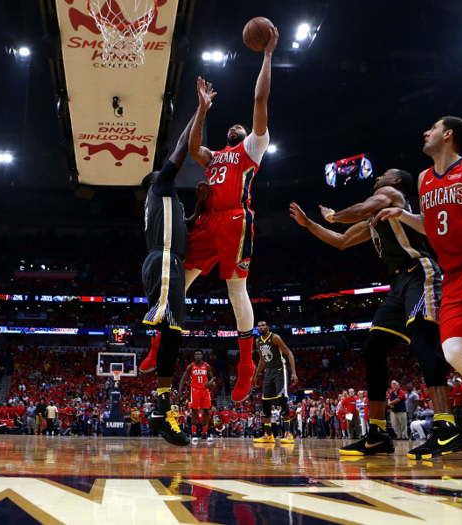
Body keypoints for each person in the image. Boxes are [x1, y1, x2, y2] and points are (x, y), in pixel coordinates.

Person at [290, 167, 462, 459]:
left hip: (419, 272)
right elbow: (342, 241)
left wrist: (334, 215)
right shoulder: (375, 219)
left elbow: (361, 208)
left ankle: (447, 427)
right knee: (373, 350)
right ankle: (376, 433)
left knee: (422, 341)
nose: (377, 178)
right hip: (398, 283)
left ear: (396, 181)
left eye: (384, 174)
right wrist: (309, 223)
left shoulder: (390, 195)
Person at [184, 27, 279, 404]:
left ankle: (245, 365)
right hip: (210, 220)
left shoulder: (253, 148)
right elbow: (193, 147)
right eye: (230, 127)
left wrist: (267, 54)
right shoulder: (215, 156)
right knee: (180, 280)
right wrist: (202, 109)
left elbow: (260, 97)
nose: (234, 127)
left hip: (237, 218)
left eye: (238, 126)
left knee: (234, 291)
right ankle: (161, 339)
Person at [373, 116, 462, 456]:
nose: (425, 132)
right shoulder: (423, 179)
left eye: (431, 128)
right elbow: (429, 225)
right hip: (453, 273)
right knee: (454, 352)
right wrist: (402, 216)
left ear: (448, 135)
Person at [140, 90, 212, 448]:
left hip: (170, 261)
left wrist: (198, 206)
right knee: (171, 331)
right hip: (166, 260)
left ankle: (161, 406)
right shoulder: (160, 187)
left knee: (174, 332)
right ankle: (160, 406)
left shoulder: (168, 205)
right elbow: (183, 148)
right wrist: (199, 110)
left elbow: (188, 225)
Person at [252, 321, 297, 445]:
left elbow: (289, 353)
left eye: (263, 325)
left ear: (268, 327)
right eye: (259, 326)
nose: (261, 327)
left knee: (282, 400)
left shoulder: (275, 337)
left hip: (279, 370)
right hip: (268, 372)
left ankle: (288, 433)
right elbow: (262, 360)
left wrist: (293, 372)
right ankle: (268, 435)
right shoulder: (258, 341)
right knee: (265, 402)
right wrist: (256, 375)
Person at [178, 350, 216, 444]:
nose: (198, 355)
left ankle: (204, 433)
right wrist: (179, 391)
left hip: (205, 390)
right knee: (194, 411)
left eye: (200, 354)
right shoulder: (190, 366)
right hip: (195, 390)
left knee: (206, 411)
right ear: (194, 356)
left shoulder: (207, 366)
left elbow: (212, 377)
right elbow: (183, 378)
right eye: (196, 354)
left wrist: (210, 382)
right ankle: (194, 433)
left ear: (202, 356)